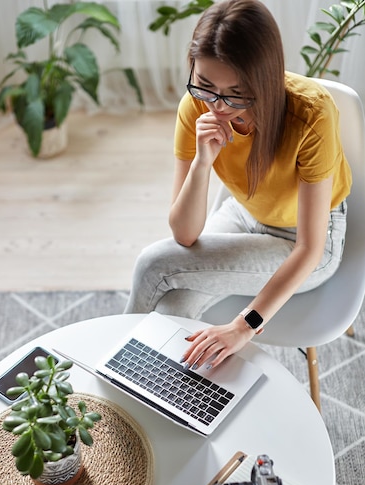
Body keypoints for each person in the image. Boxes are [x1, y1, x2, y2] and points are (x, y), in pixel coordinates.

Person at [124, 0, 351, 372]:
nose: (218, 105)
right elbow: (184, 233)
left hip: (307, 241)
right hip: (244, 212)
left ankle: (110, 378)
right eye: (205, 86)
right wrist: (201, 163)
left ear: (264, 80)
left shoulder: (311, 114)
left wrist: (245, 325)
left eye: (236, 92)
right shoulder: (195, 109)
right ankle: (155, 402)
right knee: (172, 310)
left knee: (153, 264)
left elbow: (310, 248)